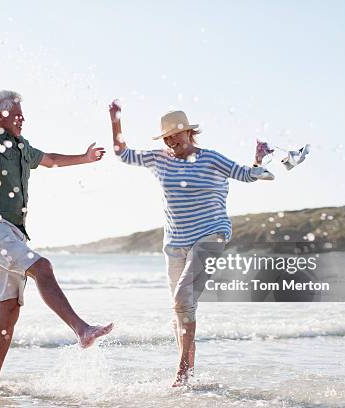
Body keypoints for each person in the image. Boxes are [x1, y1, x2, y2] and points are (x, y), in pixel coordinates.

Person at [0, 90, 113, 389]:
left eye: (22, 112)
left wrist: (85, 158)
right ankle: (82, 329)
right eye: (16, 113)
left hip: (11, 233)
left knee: (9, 311)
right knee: (43, 267)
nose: (22, 117)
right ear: (0, 116)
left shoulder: (22, 147)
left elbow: (49, 159)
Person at [108, 101, 273, 386]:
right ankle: (188, 374)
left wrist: (258, 161)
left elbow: (246, 175)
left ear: (189, 133)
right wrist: (116, 121)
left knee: (182, 299)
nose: (173, 141)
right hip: (175, 244)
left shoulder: (211, 159)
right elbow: (122, 153)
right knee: (181, 308)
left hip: (212, 234)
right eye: (168, 137)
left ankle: (182, 372)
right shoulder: (159, 158)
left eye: (177, 134)